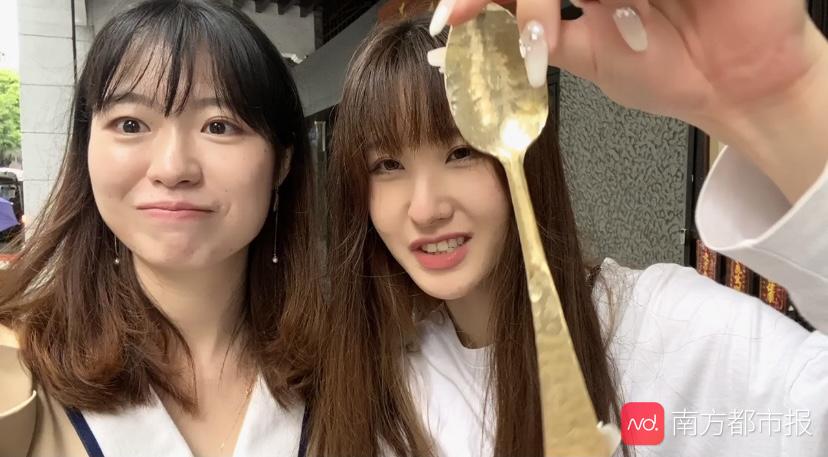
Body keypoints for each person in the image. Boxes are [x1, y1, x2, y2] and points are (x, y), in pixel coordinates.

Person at [310, 7, 828, 457]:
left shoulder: (657, 331)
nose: (426, 209)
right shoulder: (382, 375)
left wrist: (797, 95)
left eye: (462, 152)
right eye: (387, 165)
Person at [0, 1, 319, 456]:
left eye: (219, 126)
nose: (172, 169)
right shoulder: (14, 371)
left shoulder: (360, 366)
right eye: (131, 124)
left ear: (282, 162)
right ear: (86, 150)